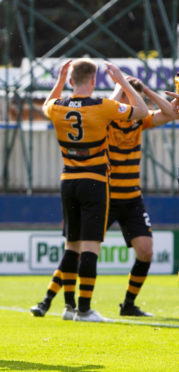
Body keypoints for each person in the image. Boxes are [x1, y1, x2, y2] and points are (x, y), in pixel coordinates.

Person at [32, 76, 175, 318]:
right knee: (77, 247)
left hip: (131, 197)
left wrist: (146, 89)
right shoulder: (105, 121)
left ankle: (128, 305)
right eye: (124, 97)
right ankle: (47, 299)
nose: (128, 102)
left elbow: (171, 114)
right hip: (104, 194)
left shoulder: (141, 122)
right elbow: (106, 106)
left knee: (146, 250)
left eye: (131, 97)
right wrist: (120, 87)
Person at [41, 59, 148, 322]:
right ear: (93, 81)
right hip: (95, 182)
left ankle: (68, 307)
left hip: (68, 180)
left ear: (69, 80)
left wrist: (58, 81)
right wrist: (122, 82)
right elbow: (142, 111)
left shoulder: (57, 107)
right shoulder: (103, 106)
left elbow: (46, 103)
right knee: (90, 246)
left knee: (71, 245)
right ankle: (84, 309)